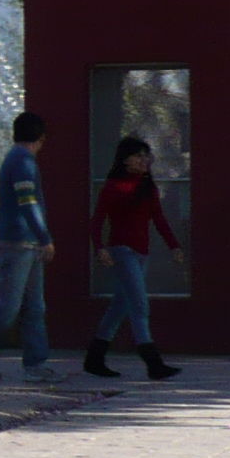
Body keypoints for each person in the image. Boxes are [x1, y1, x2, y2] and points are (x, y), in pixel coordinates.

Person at [0, 110, 57, 379]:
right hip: (19, 243)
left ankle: (35, 364)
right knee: (8, 307)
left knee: (34, 306)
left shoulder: (17, 159)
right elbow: (28, 202)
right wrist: (45, 238)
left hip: (24, 244)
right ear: (41, 138)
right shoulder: (23, 162)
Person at [89, 137, 183, 379]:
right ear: (125, 159)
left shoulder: (147, 187)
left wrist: (174, 246)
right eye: (138, 156)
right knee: (139, 304)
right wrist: (100, 247)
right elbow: (97, 219)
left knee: (119, 305)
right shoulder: (113, 187)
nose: (144, 161)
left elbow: (159, 219)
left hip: (142, 253)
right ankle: (152, 361)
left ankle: (95, 357)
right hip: (122, 252)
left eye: (146, 156)